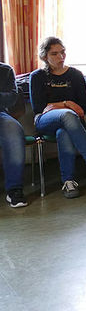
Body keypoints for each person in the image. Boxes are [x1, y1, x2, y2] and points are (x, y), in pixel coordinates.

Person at [29, 37, 86, 198]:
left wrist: (58, 105)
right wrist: (68, 103)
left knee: (63, 132)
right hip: (44, 121)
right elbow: (40, 108)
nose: (61, 57)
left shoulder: (76, 75)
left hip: (72, 122)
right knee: (67, 114)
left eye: (62, 52)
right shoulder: (37, 76)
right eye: (55, 54)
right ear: (45, 57)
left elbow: (84, 107)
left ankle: (69, 182)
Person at [1, 61, 27, 208]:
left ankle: (14, 189)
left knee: (14, 130)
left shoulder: (5, 70)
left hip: (1, 114)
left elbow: (11, 97)